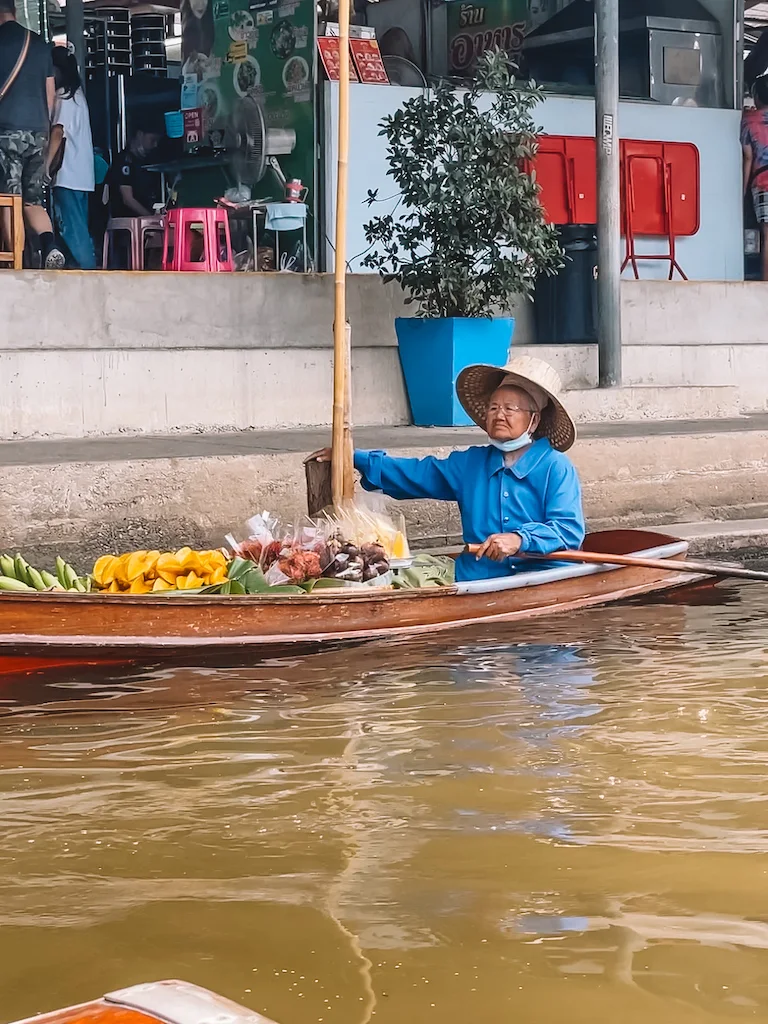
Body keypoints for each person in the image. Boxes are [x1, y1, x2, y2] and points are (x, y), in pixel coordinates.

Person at [308, 355, 585, 583]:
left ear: (534, 421)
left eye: (510, 409)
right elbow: (419, 473)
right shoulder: (471, 464)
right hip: (477, 577)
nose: (499, 414)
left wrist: (519, 540)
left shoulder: (556, 467)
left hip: (542, 576)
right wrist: (354, 457)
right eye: (493, 407)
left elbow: (568, 530)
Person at [0, 0, 65, 268]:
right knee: (32, 200)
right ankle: (50, 245)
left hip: (6, 133)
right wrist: (41, 128)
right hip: (38, 132)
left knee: (8, 199)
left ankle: (17, 260)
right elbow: (51, 97)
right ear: (14, 11)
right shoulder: (39, 44)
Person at [51, 45, 95, 269]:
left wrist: (44, 169)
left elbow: (58, 133)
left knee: (74, 235)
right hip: (81, 176)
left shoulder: (64, 97)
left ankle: (91, 279)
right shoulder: (78, 96)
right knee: (77, 233)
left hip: (68, 176)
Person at [742, 75, 768, 281]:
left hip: (763, 183)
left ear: (757, 96)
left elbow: (748, 157)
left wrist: (742, 192)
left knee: (767, 236)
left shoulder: (749, 120)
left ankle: (765, 285)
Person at [105, 125, 161, 219]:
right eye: (152, 140)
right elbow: (128, 199)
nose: (155, 145)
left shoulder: (147, 161)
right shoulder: (124, 161)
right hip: (128, 222)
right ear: (140, 135)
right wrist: (151, 218)